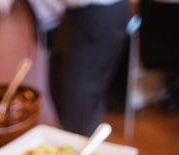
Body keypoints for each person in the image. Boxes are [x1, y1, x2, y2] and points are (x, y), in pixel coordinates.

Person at [29, 0, 130, 136]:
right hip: (73, 13)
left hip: (97, 11)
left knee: (79, 99)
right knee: (61, 90)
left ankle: (81, 151)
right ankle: (72, 144)